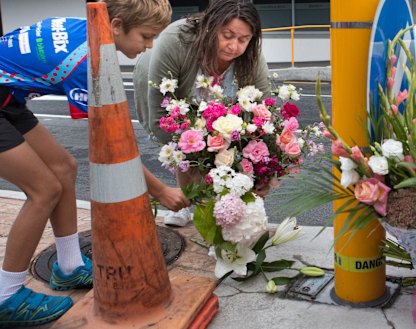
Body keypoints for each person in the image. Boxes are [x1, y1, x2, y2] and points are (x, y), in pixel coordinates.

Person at [0, 0, 188, 326]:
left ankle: (69, 267)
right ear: (115, 26)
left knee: (64, 169)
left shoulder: (82, 30)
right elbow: (113, 151)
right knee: (43, 189)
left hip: (7, 98)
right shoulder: (85, 61)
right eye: (145, 36)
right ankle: (6, 296)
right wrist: (161, 192)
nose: (149, 45)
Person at [134, 0, 270, 227]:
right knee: (186, 139)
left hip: (218, 107)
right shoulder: (175, 40)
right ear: (211, 27)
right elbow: (161, 117)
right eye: (227, 35)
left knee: (223, 145)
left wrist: (263, 172)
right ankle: (187, 202)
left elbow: (265, 111)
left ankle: (211, 204)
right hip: (165, 87)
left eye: (243, 40)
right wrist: (200, 170)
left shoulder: (251, 57)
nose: (234, 46)